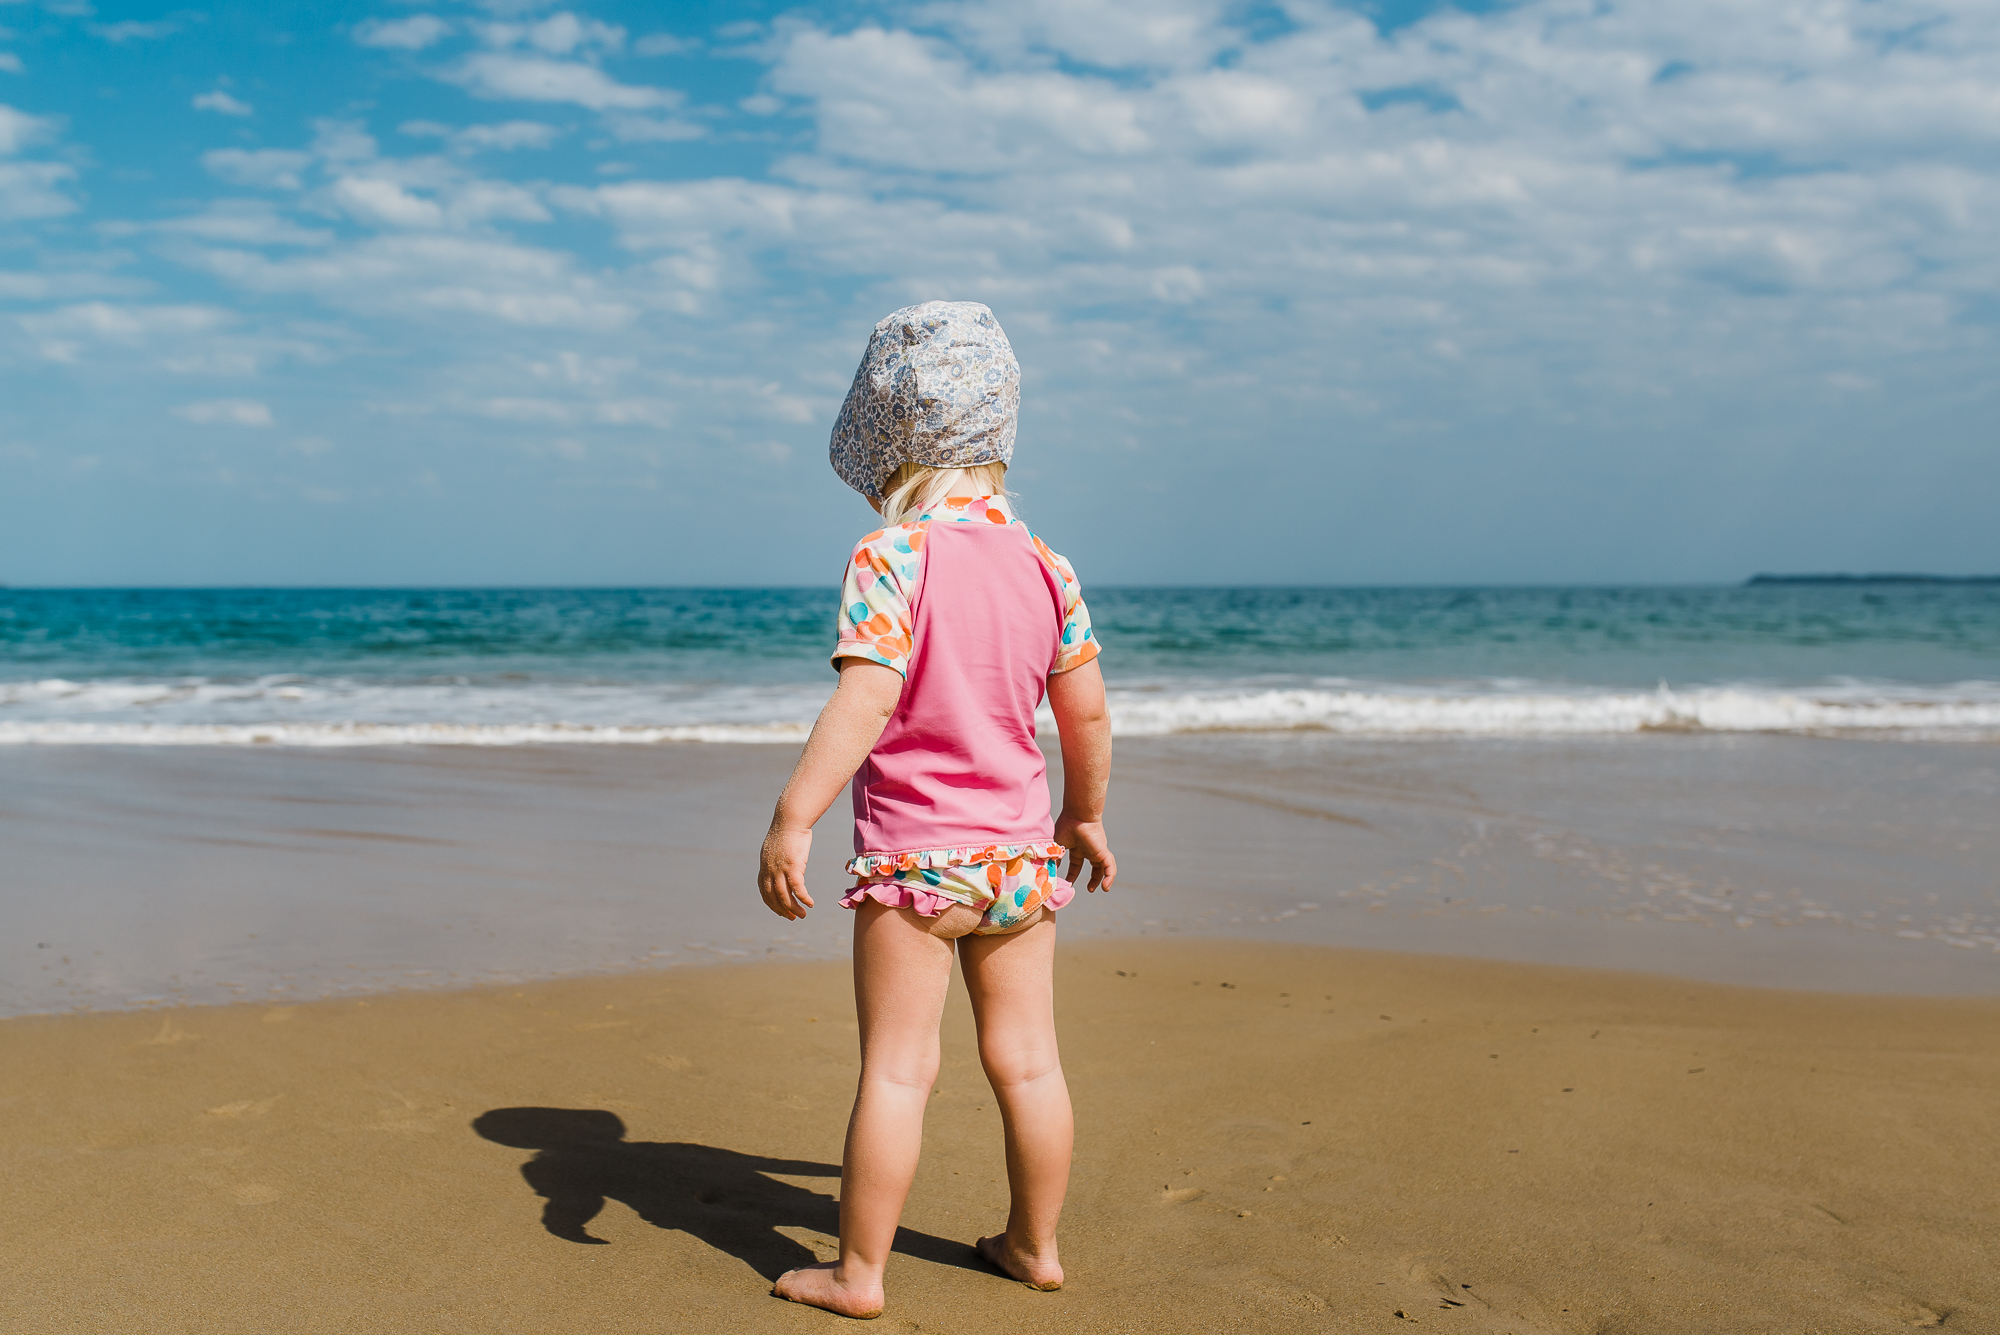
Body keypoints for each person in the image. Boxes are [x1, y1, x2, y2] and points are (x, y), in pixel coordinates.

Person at [756, 300, 1116, 1320]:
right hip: (1017, 863)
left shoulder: (891, 556)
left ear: (885, 445)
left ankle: (858, 1273)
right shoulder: (1049, 567)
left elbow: (865, 697)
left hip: (915, 866)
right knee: (1029, 1062)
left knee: (899, 1073)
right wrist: (1081, 816)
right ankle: (1034, 1247)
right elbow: (1083, 712)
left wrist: (794, 817)